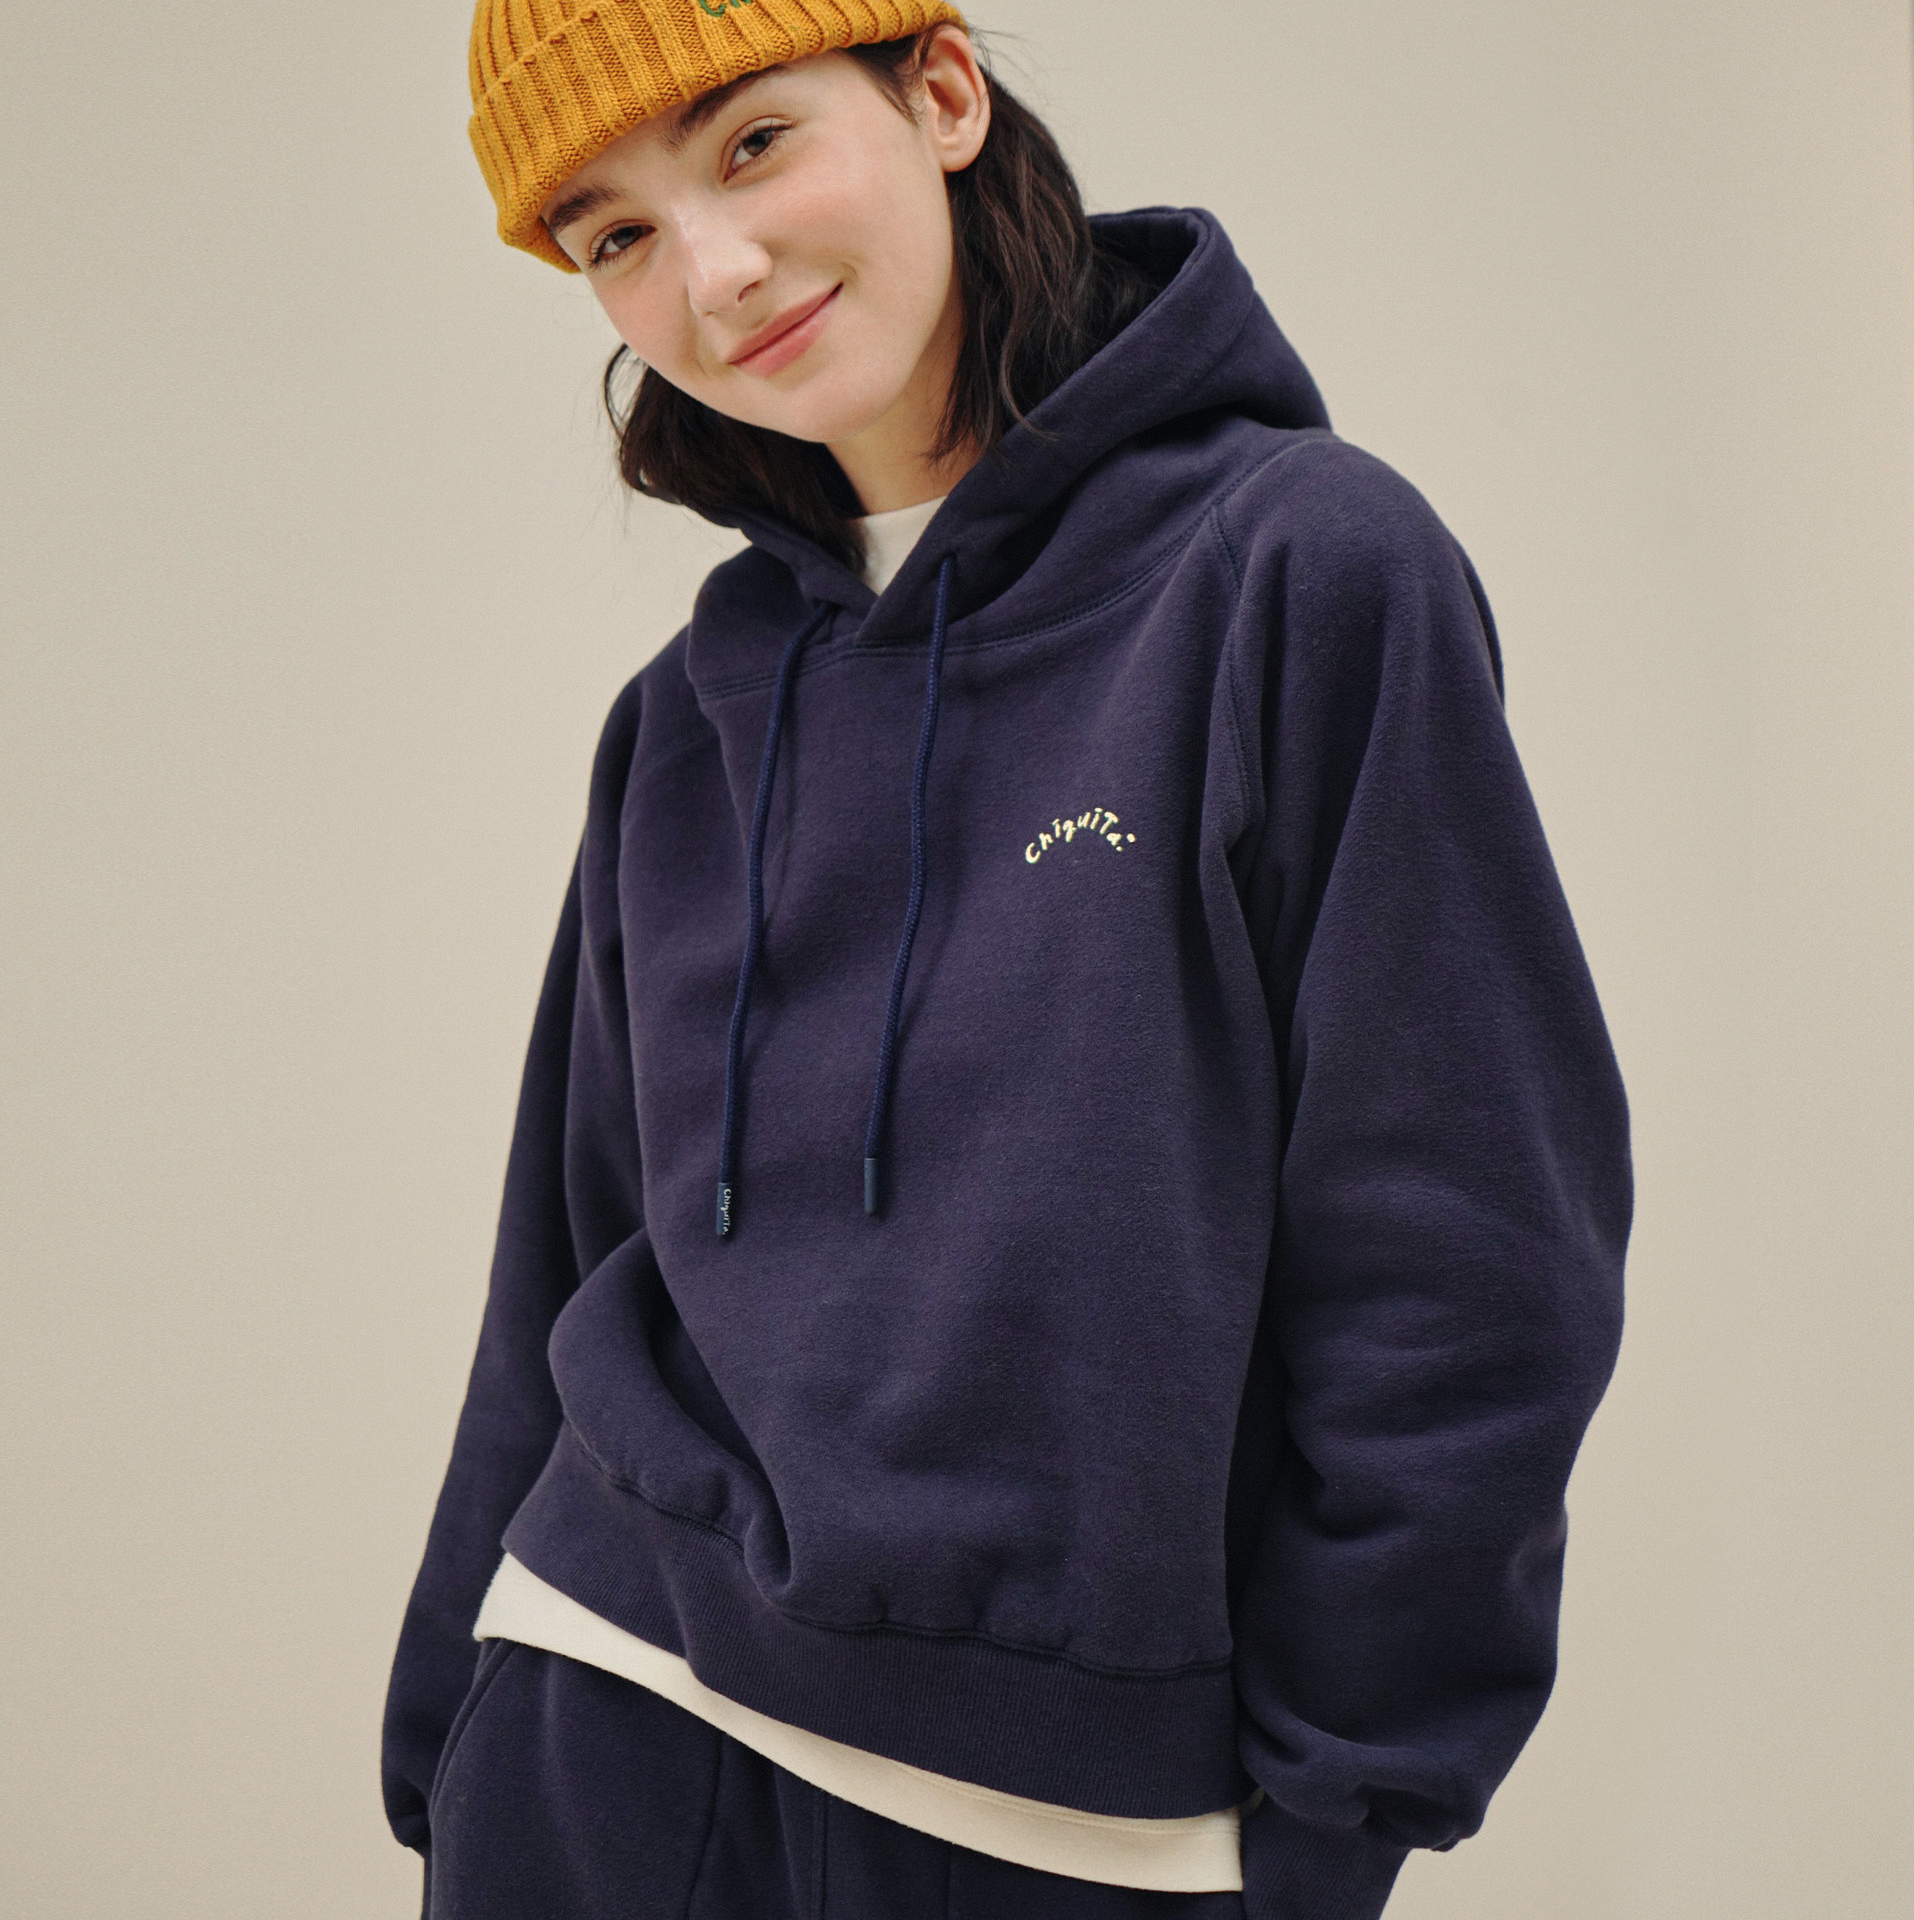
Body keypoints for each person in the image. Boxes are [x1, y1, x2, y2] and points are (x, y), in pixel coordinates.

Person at [381, 5, 1633, 1917]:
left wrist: (1344, 1806)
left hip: (1068, 1827)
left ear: (942, 93)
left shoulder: (1295, 572)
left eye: (751, 144)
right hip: (596, 1733)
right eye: (613, 233)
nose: (715, 273)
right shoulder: (689, 714)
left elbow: (1469, 1253)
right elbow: (568, 1243)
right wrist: (444, 1735)